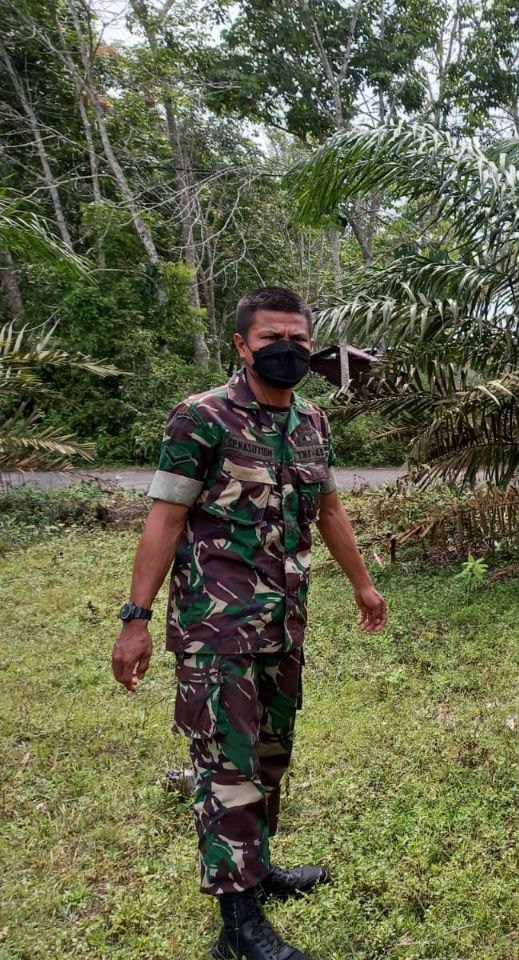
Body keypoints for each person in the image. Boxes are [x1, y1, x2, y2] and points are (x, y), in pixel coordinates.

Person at [110, 287, 388, 960]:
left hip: (284, 622)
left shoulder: (312, 421)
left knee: (270, 756)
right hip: (217, 628)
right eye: (271, 339)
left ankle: (257, 870)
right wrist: (135, 619)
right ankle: (239, 922)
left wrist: (364, 584)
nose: (287, 349)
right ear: (241, 345)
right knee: (227, 764)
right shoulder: (200, 417)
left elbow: (329, 510)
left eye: (298, 337)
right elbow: (165, 518)